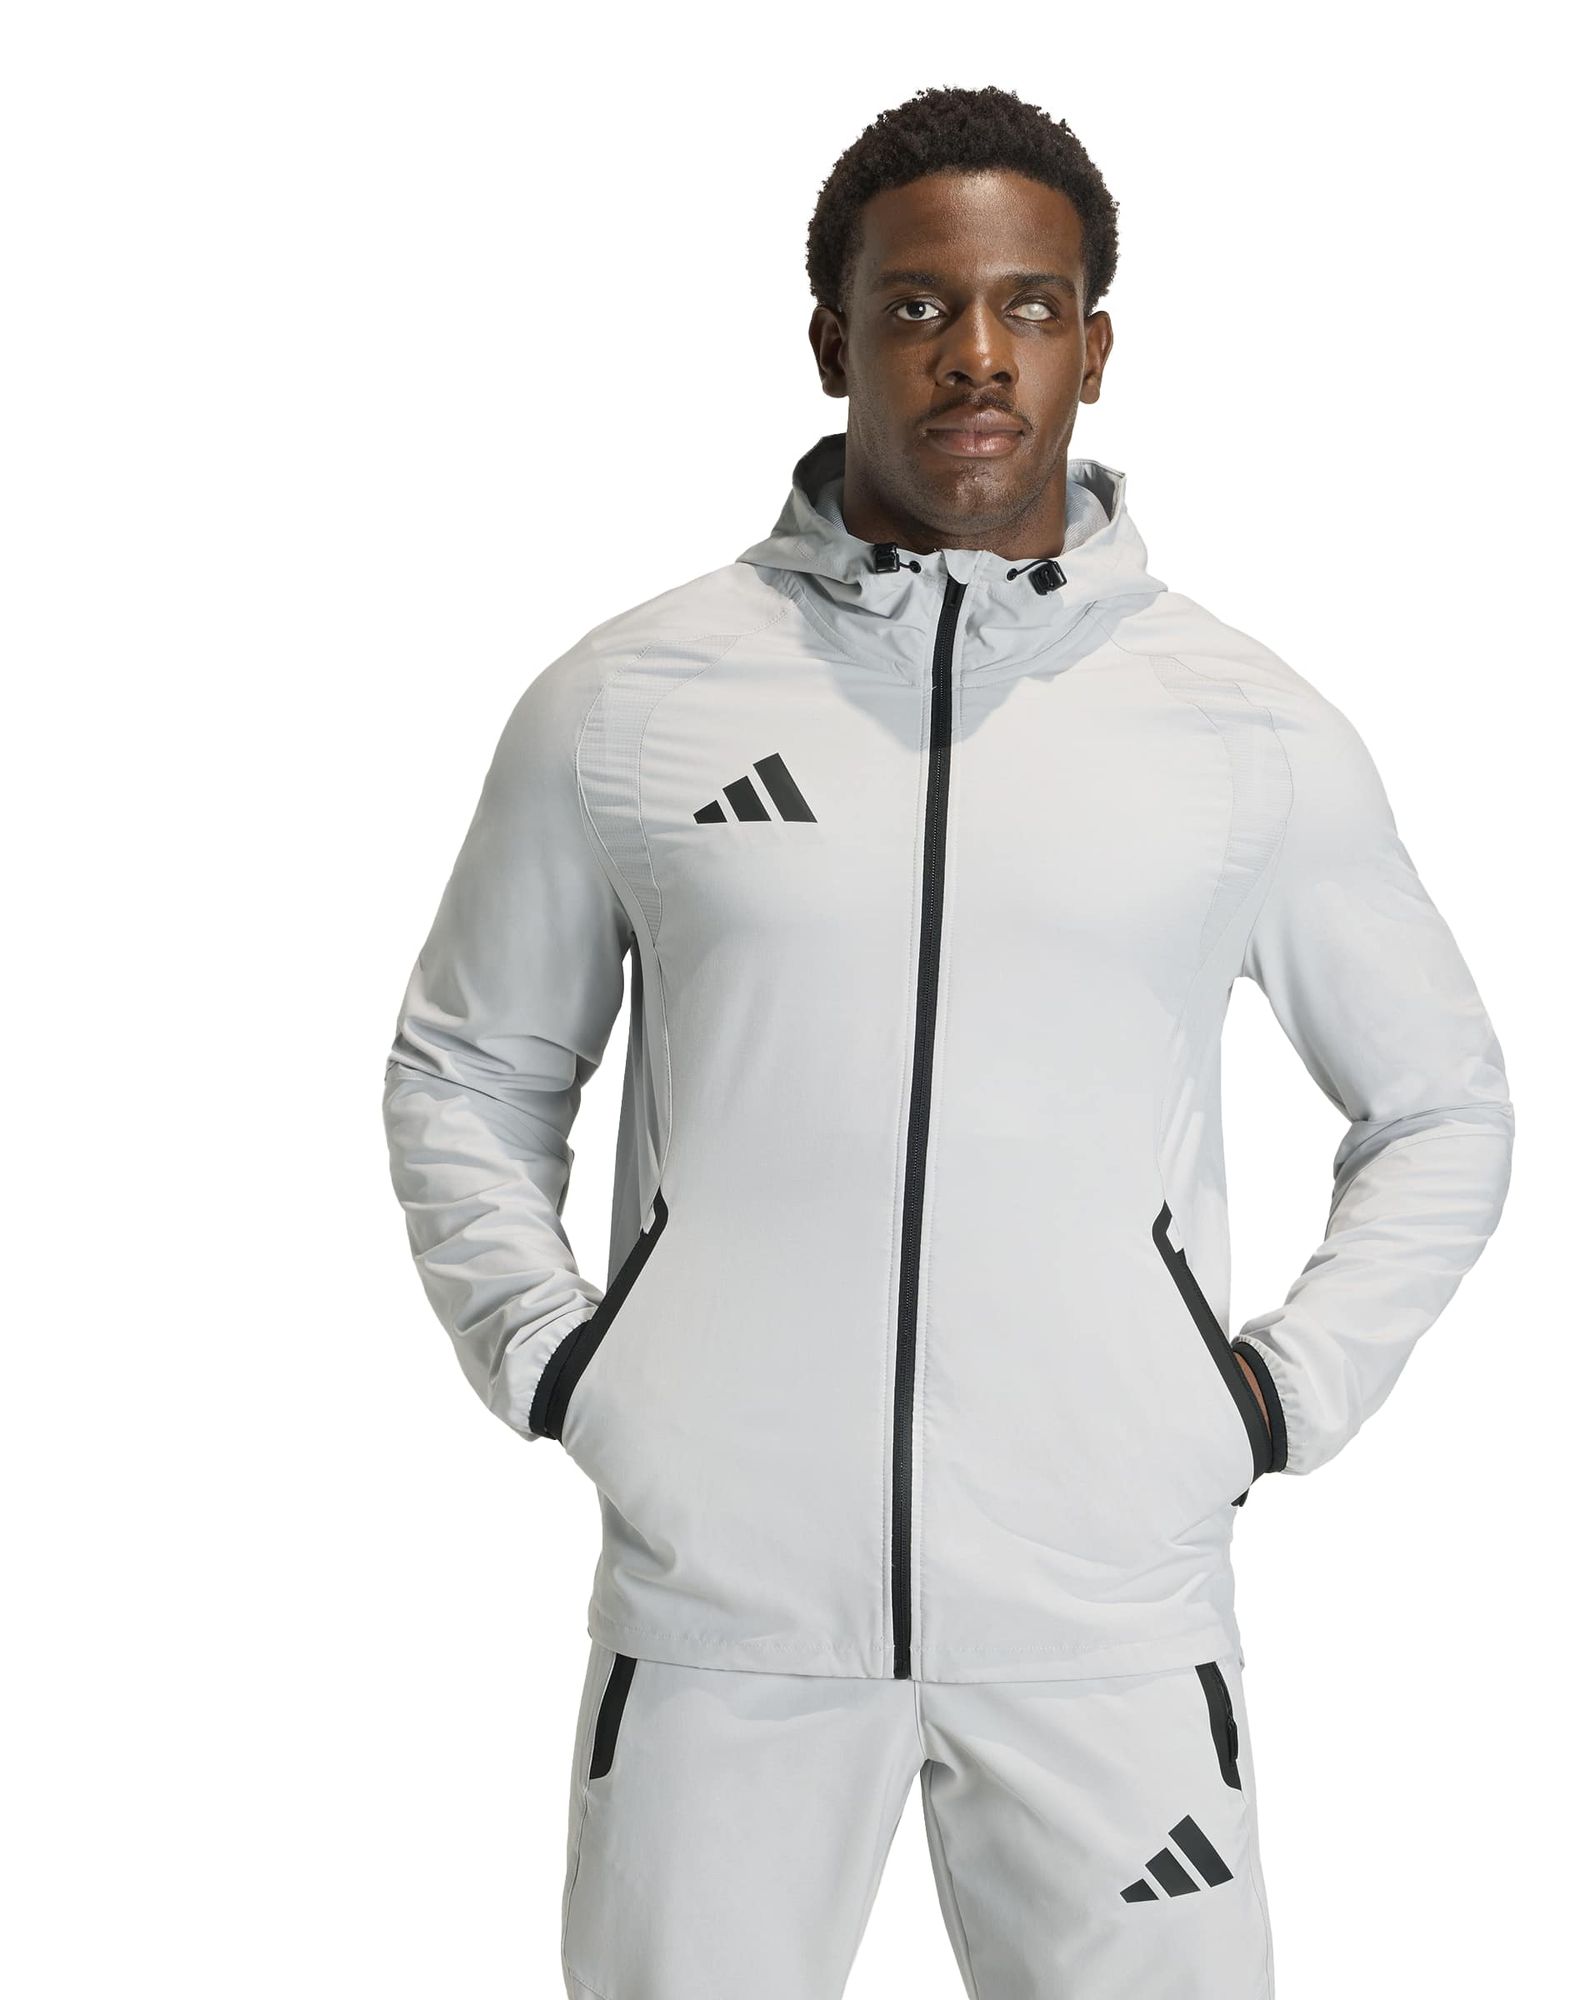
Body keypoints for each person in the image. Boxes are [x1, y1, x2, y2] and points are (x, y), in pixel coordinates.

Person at [381, 82, 1514, 2000]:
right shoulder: (628, 701)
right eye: (916, 308)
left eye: (1026, 307)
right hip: (725, 1614)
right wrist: (565, 1360)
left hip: (1108, 1619)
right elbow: (469, 1071)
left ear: (1093, 346)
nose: (974, 354)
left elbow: (1441, 1105)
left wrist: (1267, 1400)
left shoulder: (1244, 729)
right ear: (832, 340)